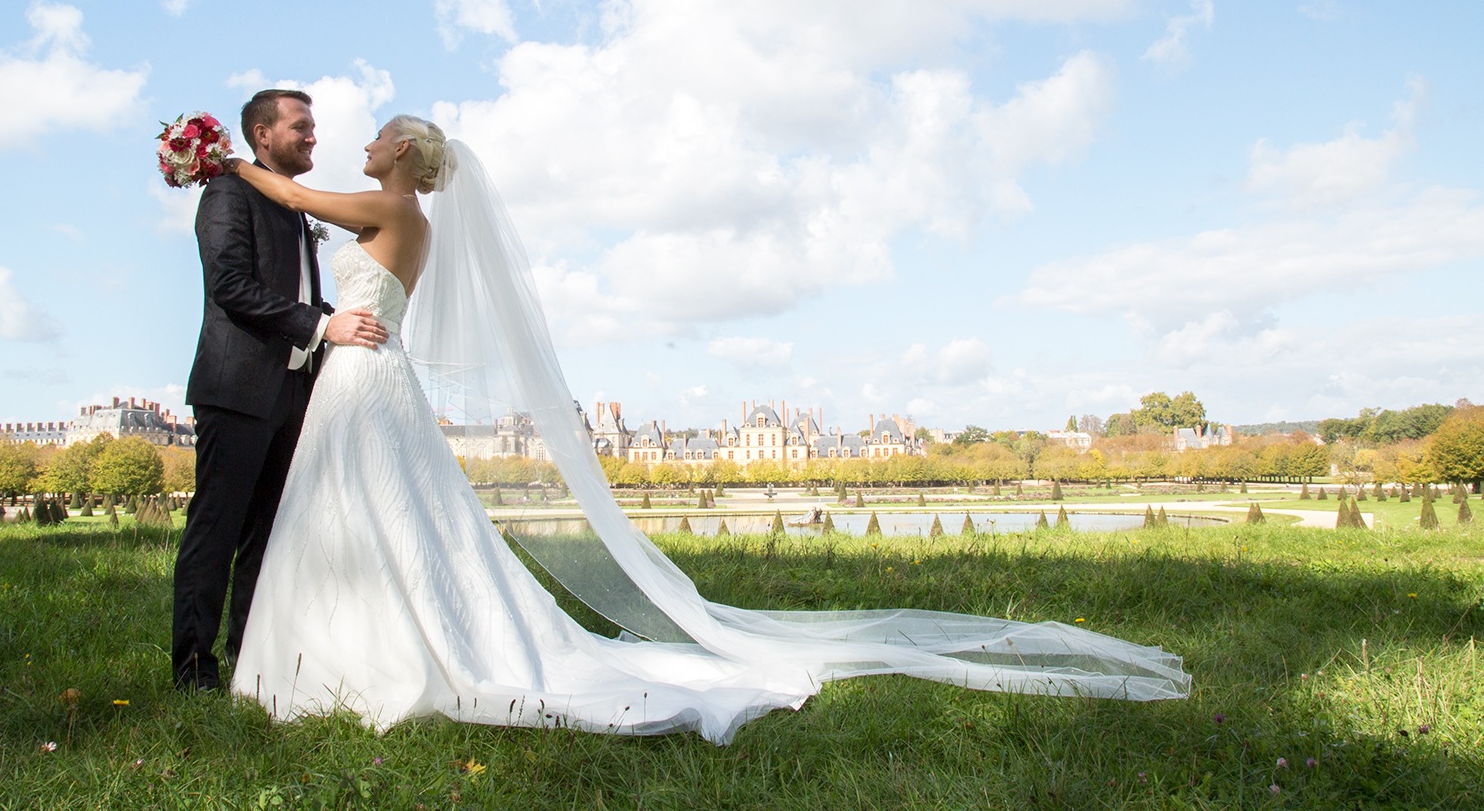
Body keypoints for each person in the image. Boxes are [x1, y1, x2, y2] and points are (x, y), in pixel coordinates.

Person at [224, 117, 1190, 743]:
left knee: (362, 510)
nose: (369, 136)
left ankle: (346, 653)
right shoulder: (396, 212)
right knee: (373, 513)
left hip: (363, 371)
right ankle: (355, 641)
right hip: (362, 369)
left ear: (408, 159)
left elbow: (302, 199)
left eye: (385, 132)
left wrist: (213, 158)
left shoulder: (388, 205)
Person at [171, 89, 390, 691]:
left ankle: (249, 658)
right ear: (262, 135)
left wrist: (338, 321)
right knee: (216, 529)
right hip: (236, 387)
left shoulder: (292, 207)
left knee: (267, 532)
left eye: (314, 126)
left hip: (293, 393)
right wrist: (323, 325)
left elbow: (291, 292)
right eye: (302, 126)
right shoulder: (227, 193)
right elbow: (231, 286)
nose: (314, 135)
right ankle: (193, 669)